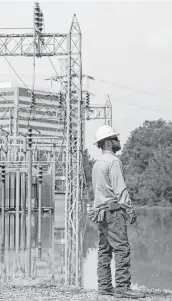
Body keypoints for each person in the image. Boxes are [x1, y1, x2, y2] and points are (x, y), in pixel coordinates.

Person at [91, 124, 145, 299]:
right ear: (108, 143)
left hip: (101, 212)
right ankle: (122, 287)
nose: (118, 141)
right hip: (114, 212)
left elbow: (98, 191)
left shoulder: (97, 163)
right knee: (122, 249)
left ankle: (104, 287)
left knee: (104, 250)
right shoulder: (113, 161)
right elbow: (120, 190)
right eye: (115, 139)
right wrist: (130, 210)